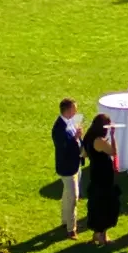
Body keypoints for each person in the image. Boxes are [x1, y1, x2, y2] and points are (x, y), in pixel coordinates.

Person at [81, 114, 120, 244]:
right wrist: (113, 136)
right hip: (104, 175)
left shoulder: (88, 138)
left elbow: (84, 154)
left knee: (96, 202)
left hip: (95, 173)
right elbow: (113, 152)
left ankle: (96, 234)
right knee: (105, 203)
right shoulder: (99, 141)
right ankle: (103, 236)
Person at [52, 98, 83, 237]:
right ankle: (71, 229)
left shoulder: (70, 122)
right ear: (68, 110)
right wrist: (75, 137)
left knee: (67, 195)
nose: (76, 111)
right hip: (67, 168)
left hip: (75, 164)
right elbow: (63, 147)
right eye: (74, 109)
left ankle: (65, 221)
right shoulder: (58, 128)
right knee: (73, 198)